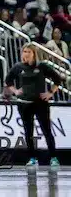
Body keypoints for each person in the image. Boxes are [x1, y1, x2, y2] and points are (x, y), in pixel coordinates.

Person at [6, 42, 62, 172]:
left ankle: (53, 157)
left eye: (28, 52)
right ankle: (32, 157)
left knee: (46, 130)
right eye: (24, 52)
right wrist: (15, 91)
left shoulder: (42, 66)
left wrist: (50, 93)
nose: (25, 54)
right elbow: (8, 81)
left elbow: (58, 79)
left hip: (40, 103)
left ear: (34, 54)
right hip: (24, 104)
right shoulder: (18, 67)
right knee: (28, 131)